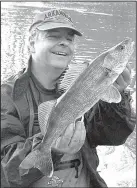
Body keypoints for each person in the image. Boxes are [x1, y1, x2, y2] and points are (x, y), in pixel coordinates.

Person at [1, 9, 135, 187]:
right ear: (32, 43)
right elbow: (6, 173)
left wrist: (118, 98)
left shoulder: (82, 83)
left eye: (70, 39)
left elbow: (114, 137)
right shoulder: (7, 97)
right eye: (53, 36)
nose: (64, 42)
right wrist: (51, 148)